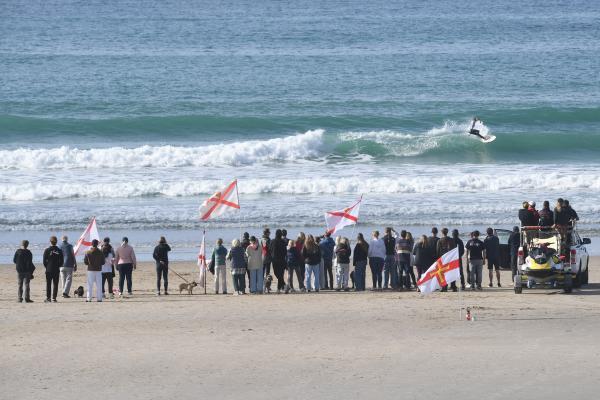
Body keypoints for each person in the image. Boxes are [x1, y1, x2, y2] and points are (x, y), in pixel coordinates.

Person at [43, 236, 64, 303]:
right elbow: (62, 261)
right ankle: (54, 298)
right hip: (56, 269)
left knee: (48, 284)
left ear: (50, 242)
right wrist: (58, 266)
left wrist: (47, 267)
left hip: (49, 269)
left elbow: (44, 261)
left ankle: (48, 298)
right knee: (55, 284)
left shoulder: (47, 250)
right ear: (56, 242)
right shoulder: (59, 250)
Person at [270, 229, 288, 293]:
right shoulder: (283, 242)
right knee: (280, 275)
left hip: (274, 260)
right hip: (282, 260)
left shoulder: (272, 241)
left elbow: (270, 250)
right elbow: (285, 252)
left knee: (277, 274)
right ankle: (284, 286)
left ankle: (279, 289)